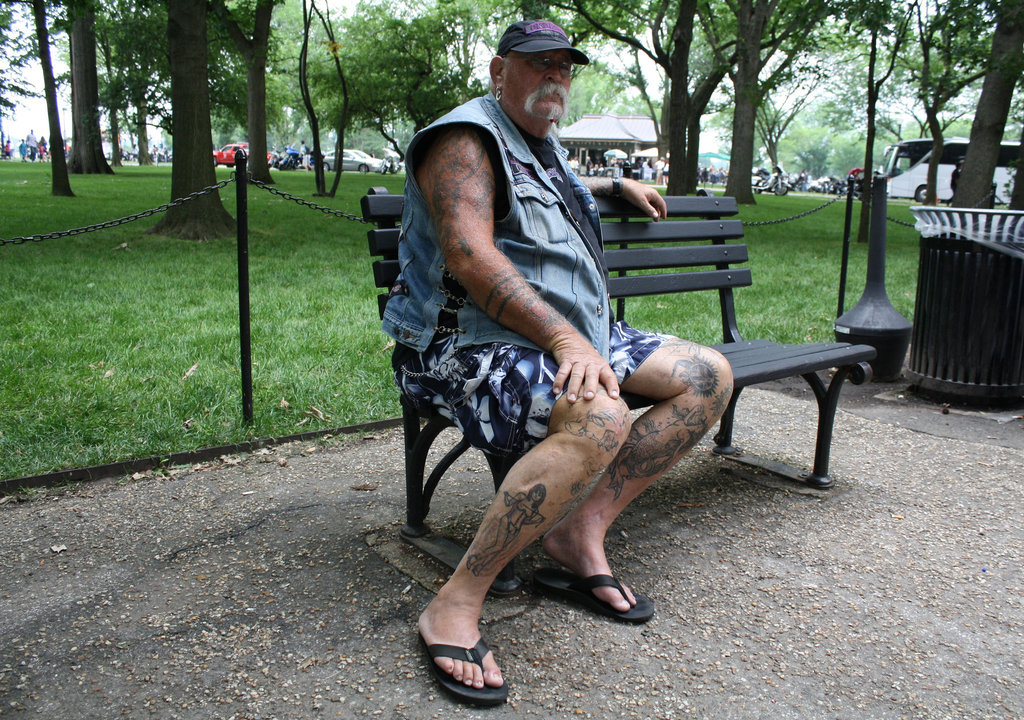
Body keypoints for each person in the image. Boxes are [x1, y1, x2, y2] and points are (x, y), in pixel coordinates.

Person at [383, 19, 733, 705]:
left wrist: (613, 186)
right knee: (601, 416)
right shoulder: (464, 138)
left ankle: (578, 533)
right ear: (497, 69)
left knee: (707, 377)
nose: (554, 77)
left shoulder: (541, 146)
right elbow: (468, 253)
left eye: (564, 66)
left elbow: (543, 192)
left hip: (571, 334)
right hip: (469, 346)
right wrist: (567, 343)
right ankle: (454, 603)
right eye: (537, 63)